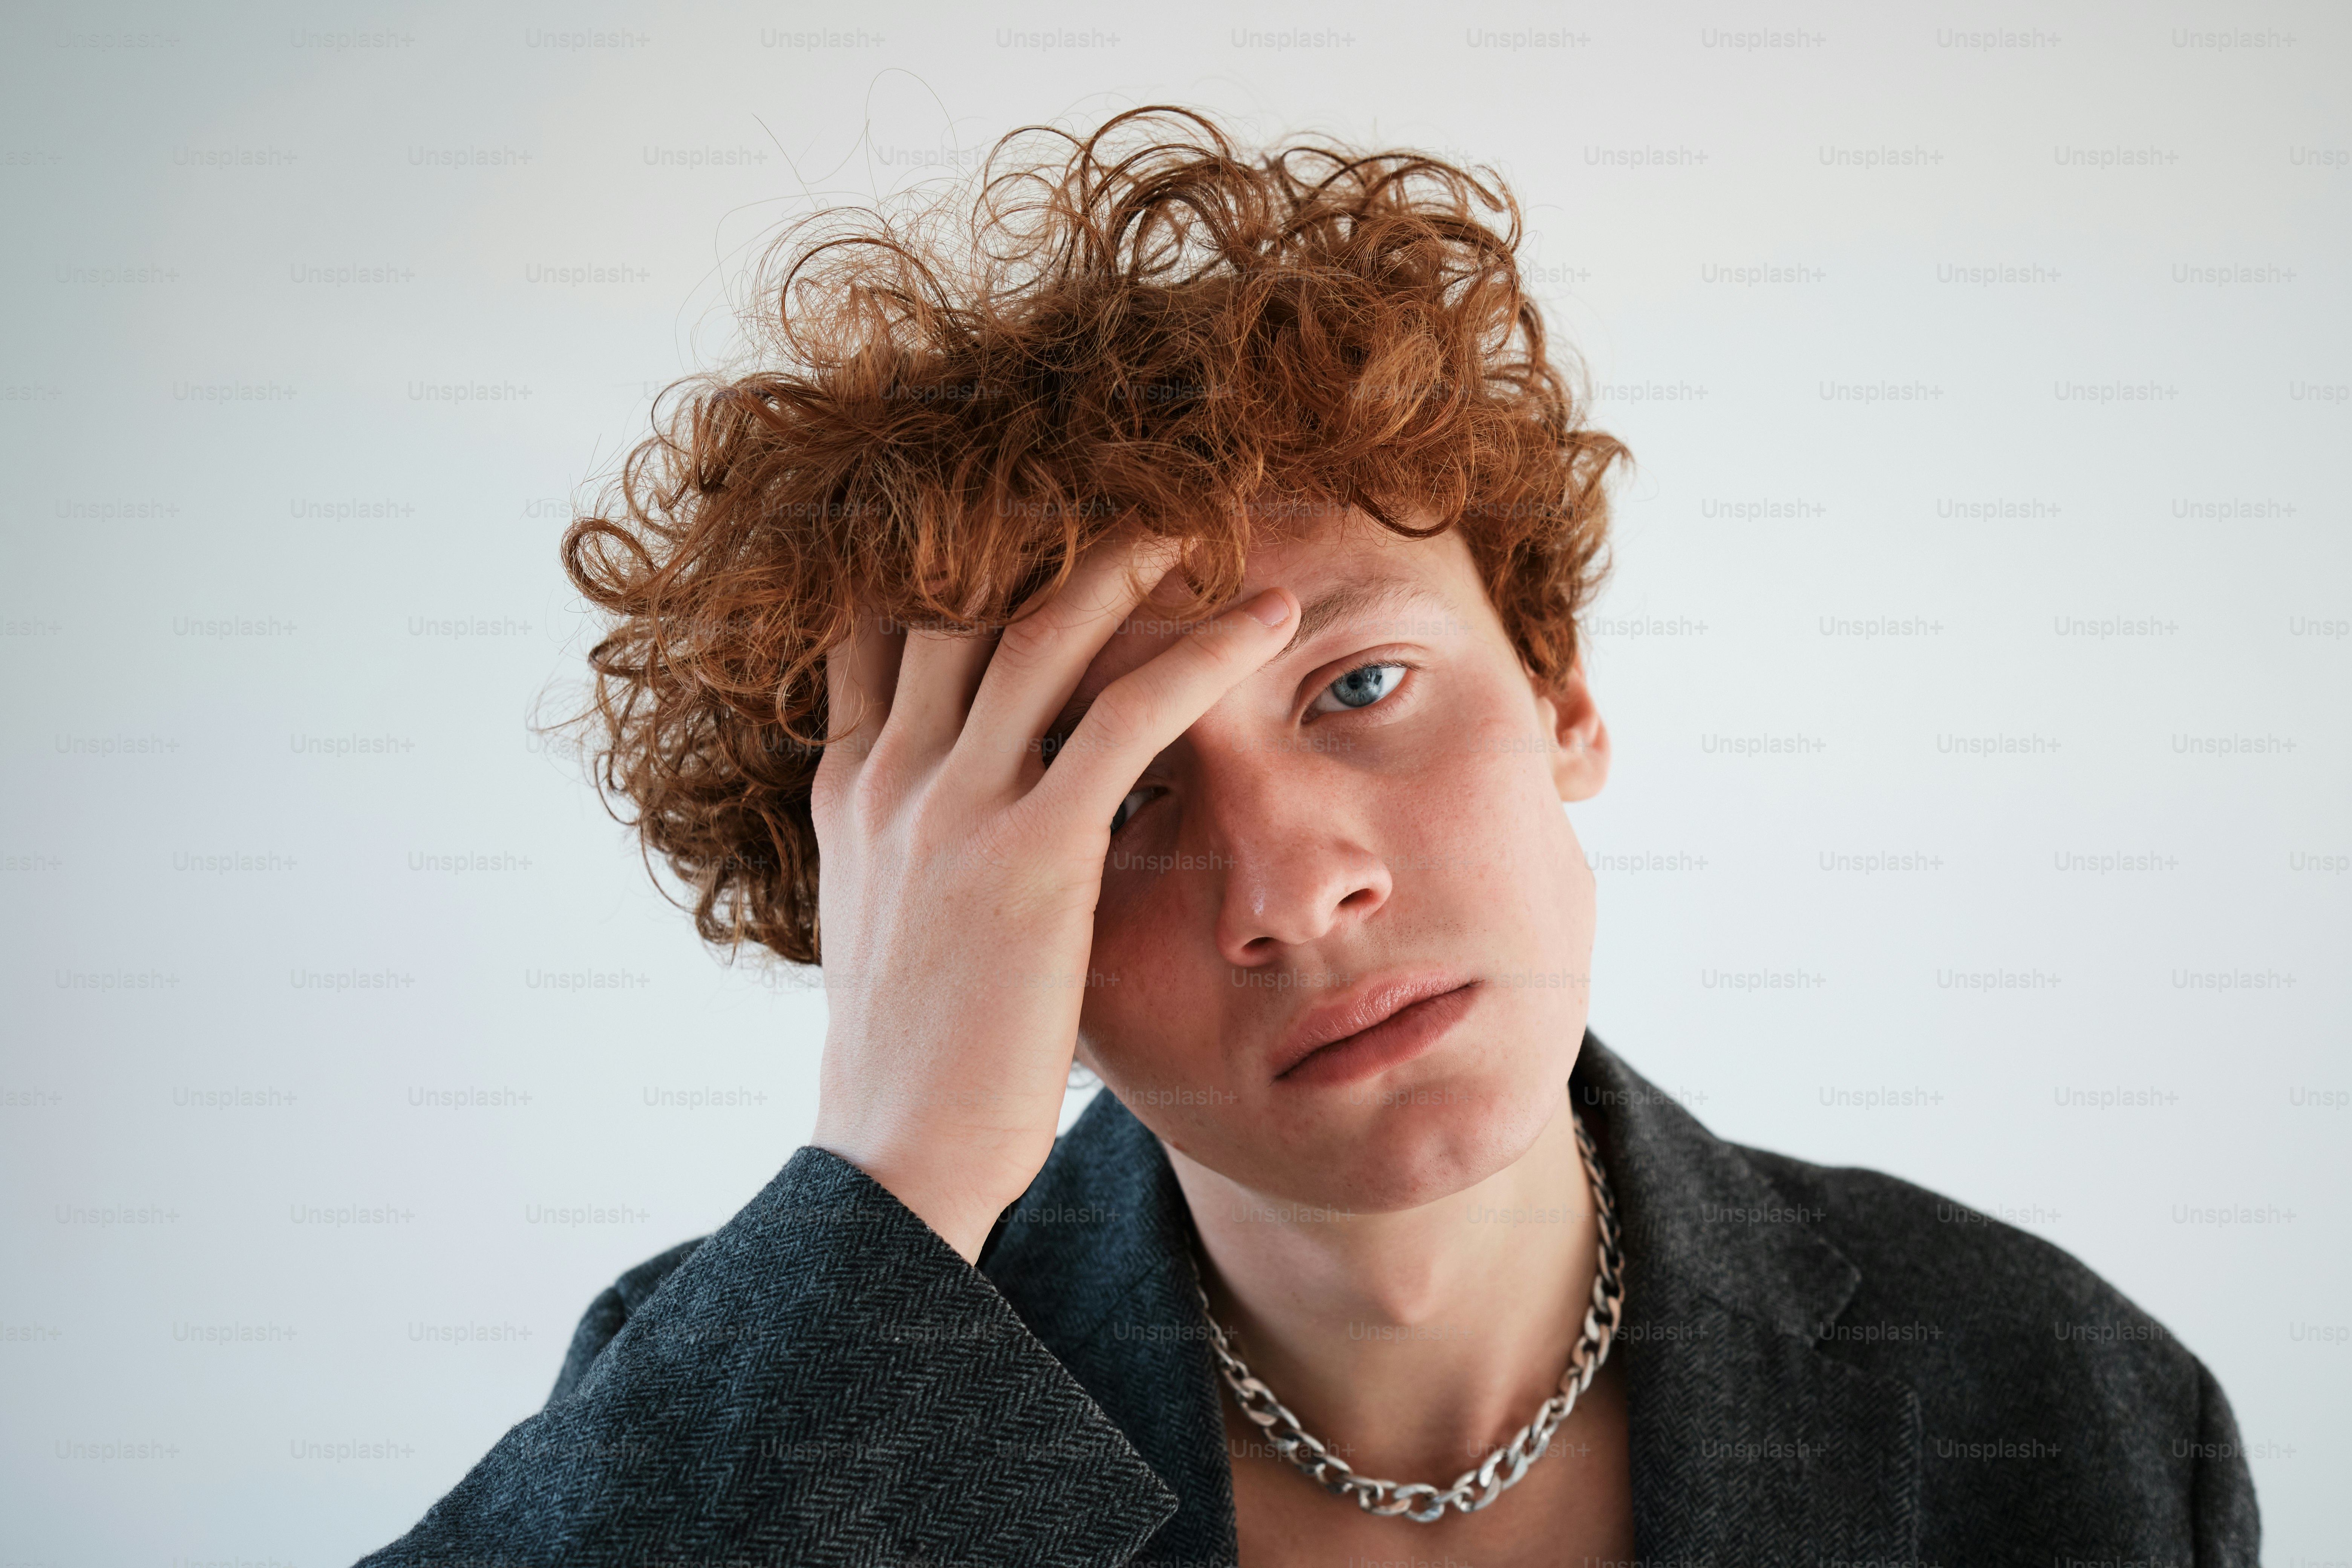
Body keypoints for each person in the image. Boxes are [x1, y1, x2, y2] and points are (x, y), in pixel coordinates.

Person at [357, 107, 2258, 1565]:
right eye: (1115, 797)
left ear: (1560, 691)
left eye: (1358, 686)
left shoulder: (2062, 1405)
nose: (1295, 887)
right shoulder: (763, 1383)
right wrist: (905, 1159)